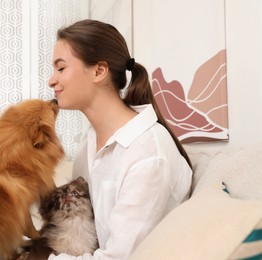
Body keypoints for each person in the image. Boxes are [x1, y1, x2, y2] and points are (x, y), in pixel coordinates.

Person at [47, 19, 193, 259]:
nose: (51, 80)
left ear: (99, 71)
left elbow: (118, 257)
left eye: (61, 68)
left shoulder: (148, 152)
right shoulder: (90, 143)